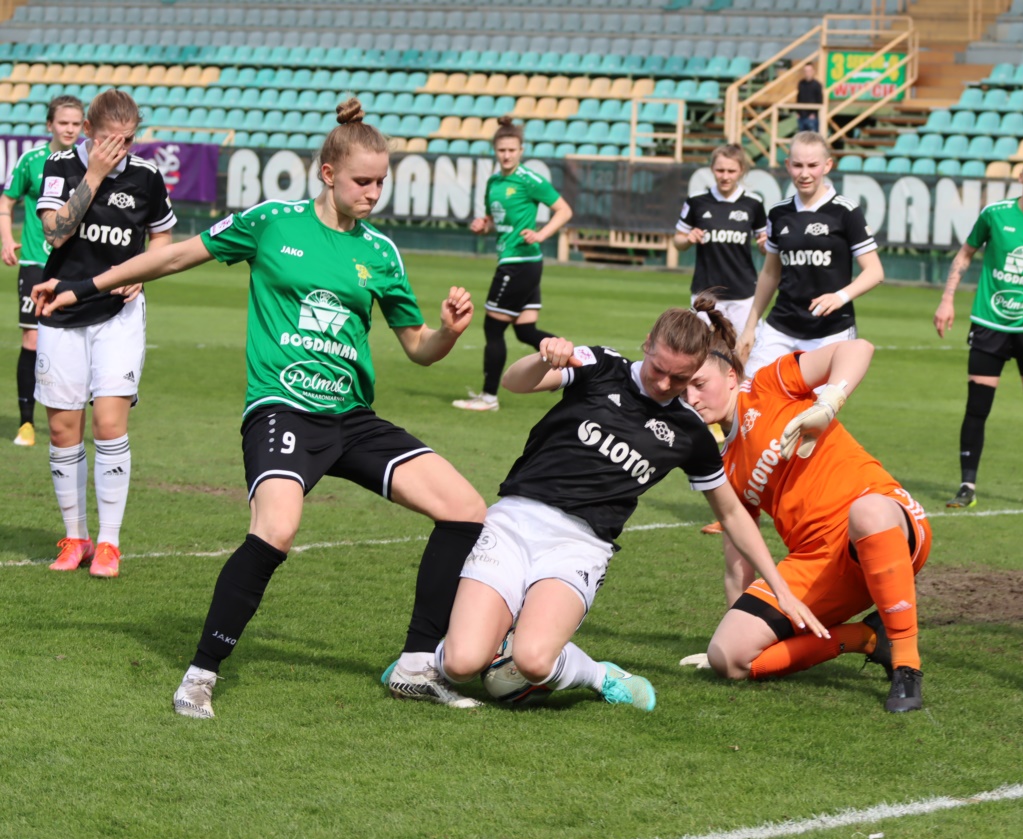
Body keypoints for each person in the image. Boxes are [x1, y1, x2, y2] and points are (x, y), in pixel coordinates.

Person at [36, 99, 490, 719]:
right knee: (276, 529)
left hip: (351, 416)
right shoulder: (272, 221)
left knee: (466, 510)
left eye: (381, 182)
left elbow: (418, 348)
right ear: (327, 173)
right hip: (283, 409)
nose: (373, 192)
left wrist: (449, 333)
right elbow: (174, 255)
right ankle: (200, 675)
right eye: (362, 180)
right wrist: (82, 287)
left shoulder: (382, 252)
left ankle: (415, 665)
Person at [413, 298, 826, 711]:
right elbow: (513, 383)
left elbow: (732, 513)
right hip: (514, 521)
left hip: (579, 545)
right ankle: (464, 650)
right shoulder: (600, 365)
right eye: (658, 369)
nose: (663, 384)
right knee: (461, 663)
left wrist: (780, 588)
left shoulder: (690, 432)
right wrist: (543, 359)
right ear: (647, 344)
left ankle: (600, 675)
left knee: (534, 661)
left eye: (680, 378)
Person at [683, 329, 932, 712]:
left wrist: (828, 403)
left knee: (865, 512)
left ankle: (906, 664)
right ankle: (866, 638)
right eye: (684, 390)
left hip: (887, 524)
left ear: (730, 376)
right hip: (818, 561)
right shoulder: (722, 465)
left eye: (700, 384)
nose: (692, 399)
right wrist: (732, 628)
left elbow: (858, 348)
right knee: (729, 659)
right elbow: (738, 558)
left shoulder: (768, 385)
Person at [33, 89, 173, 578]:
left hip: (118, 314)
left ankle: (109, 543)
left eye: (128, 140)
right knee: (61, 429)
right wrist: (92, 175)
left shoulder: (147, 176)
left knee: (109, 424)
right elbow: (55, 234)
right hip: (61, 308)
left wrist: (142, 270)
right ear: (89, 131)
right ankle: (75, 538)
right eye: (111, 139)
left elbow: (162, 236)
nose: (120, 149)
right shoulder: (60, 165)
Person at [933, 152, 1023, 511]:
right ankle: (966, 486)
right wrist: (947, 299)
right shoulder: (994, 215)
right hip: (989, 324)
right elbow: (965, 255)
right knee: (977, 408)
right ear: (1021, 177)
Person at [736, 131, 883, 379]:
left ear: (827, 165)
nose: (804, 173)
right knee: (751, 393)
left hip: (831, 330)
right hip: (781, 327)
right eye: (798, 165)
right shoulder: (778, 213)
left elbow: (875, 271)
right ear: (787, 165)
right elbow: (770, 273)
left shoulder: (846, 211)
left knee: (818, 404)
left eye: (813, 165)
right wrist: (750, 328)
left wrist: (840, 297)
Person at [453, 116, 572, 412]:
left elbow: (563, 210)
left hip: (519, 264)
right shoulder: (493, 183)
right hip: (520, 263)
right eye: (501, 150)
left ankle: (488, 398)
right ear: (495, 150)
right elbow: (495, 222)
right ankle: (578, 363)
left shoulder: (529, 179)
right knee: (525, 331)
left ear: (521, 150)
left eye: (511, 150)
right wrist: (483, 225)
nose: (506, 155)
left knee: (493, 329)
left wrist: (541, 234)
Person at [3, 94, 83, 447]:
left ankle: (71, 419)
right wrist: (7, 239)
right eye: (63, 122)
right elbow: (7, 199)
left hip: (75, 264)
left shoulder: (88, 162)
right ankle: (26, 423)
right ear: (50, 124)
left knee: (77, 340)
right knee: (33, 339)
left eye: (76, 123)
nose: (69, 129)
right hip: (36, 261)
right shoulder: (32, 160)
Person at [672, 143, 767, 337]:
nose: (725, 176)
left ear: (741, 170)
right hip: (705, 292)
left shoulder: (753, 203)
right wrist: (688, 239)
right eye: (720, 170)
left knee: (747, 346)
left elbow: (765, 244)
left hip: (743, 293)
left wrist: (765, 245)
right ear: (712, 169)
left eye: (731, 171)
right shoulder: (696, 201)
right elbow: (678, 241)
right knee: (702, 346)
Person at [795, 62, 822, 134]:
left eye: (809, 71)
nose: (807, 73)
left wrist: (814, 114)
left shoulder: (817, 85)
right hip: (801, 116)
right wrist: (798, 112)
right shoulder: (801, 83)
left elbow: (819, 100)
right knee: (802, 138)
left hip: (812, 117)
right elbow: (798, 98)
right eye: (806, 71)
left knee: (813, 138)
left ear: (813, 71)